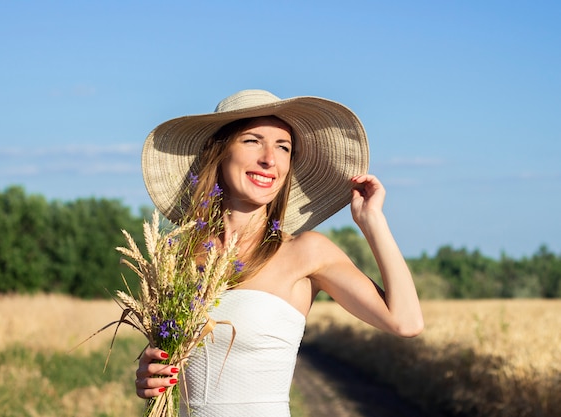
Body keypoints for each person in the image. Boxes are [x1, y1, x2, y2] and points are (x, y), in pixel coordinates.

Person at [135, 89, 424, 416]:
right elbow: (167, 364)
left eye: (283, 147)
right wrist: (149, 376)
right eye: (252, 141)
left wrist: (372, 221)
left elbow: (406, 322)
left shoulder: (306, 252)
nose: (269, 158)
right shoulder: (177, 256)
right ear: (219, 152)